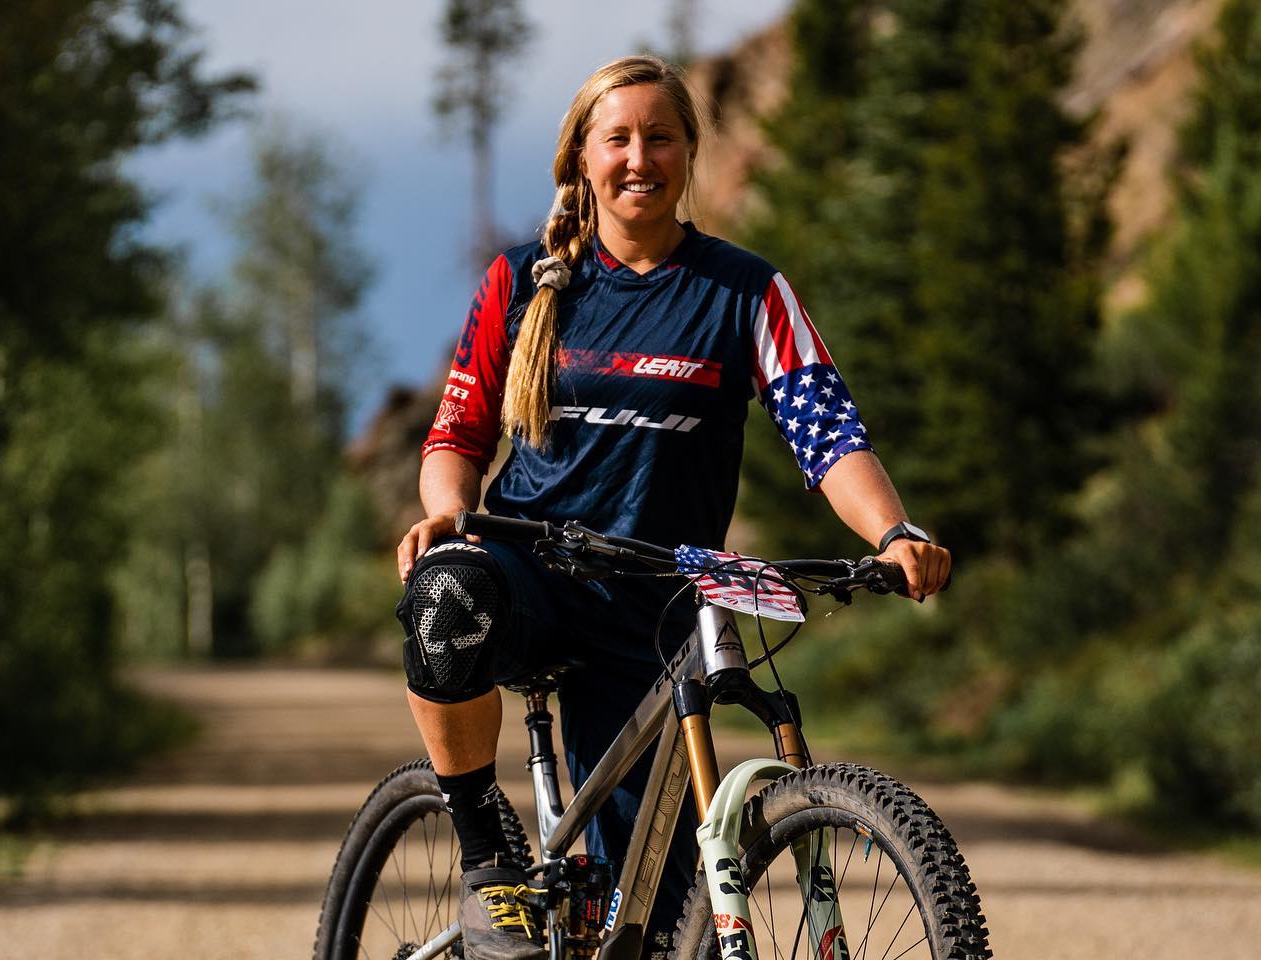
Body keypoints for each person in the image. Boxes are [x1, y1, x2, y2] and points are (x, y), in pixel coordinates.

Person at [395, 55, 951, 960]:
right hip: (529, 573)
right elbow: (455, 436)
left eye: (661, 136)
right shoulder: (525, 281)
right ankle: (488, 861)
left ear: (692, 152)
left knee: (644, 931)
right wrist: (450, 513)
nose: (638, 156)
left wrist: (893, 534)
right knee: (444, 596)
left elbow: (828, 433)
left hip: (656, 605)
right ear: (582, 157)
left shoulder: (744, 292)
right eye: (617, 138)